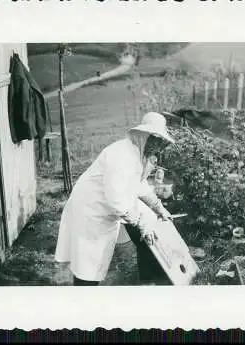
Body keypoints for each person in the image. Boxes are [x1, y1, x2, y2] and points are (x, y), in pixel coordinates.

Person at [54, 112, 175, 286]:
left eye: (160, 142)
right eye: (155, 140)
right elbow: (116, 201)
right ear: (143, 136)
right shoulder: (121, 156)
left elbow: (138, 185)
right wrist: (139, 222)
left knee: (97, 258)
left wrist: (158, 206)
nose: (158, 146)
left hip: (105, 205)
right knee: (88, 264)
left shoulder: (136, 154)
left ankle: (148, 280)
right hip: (91, 208)